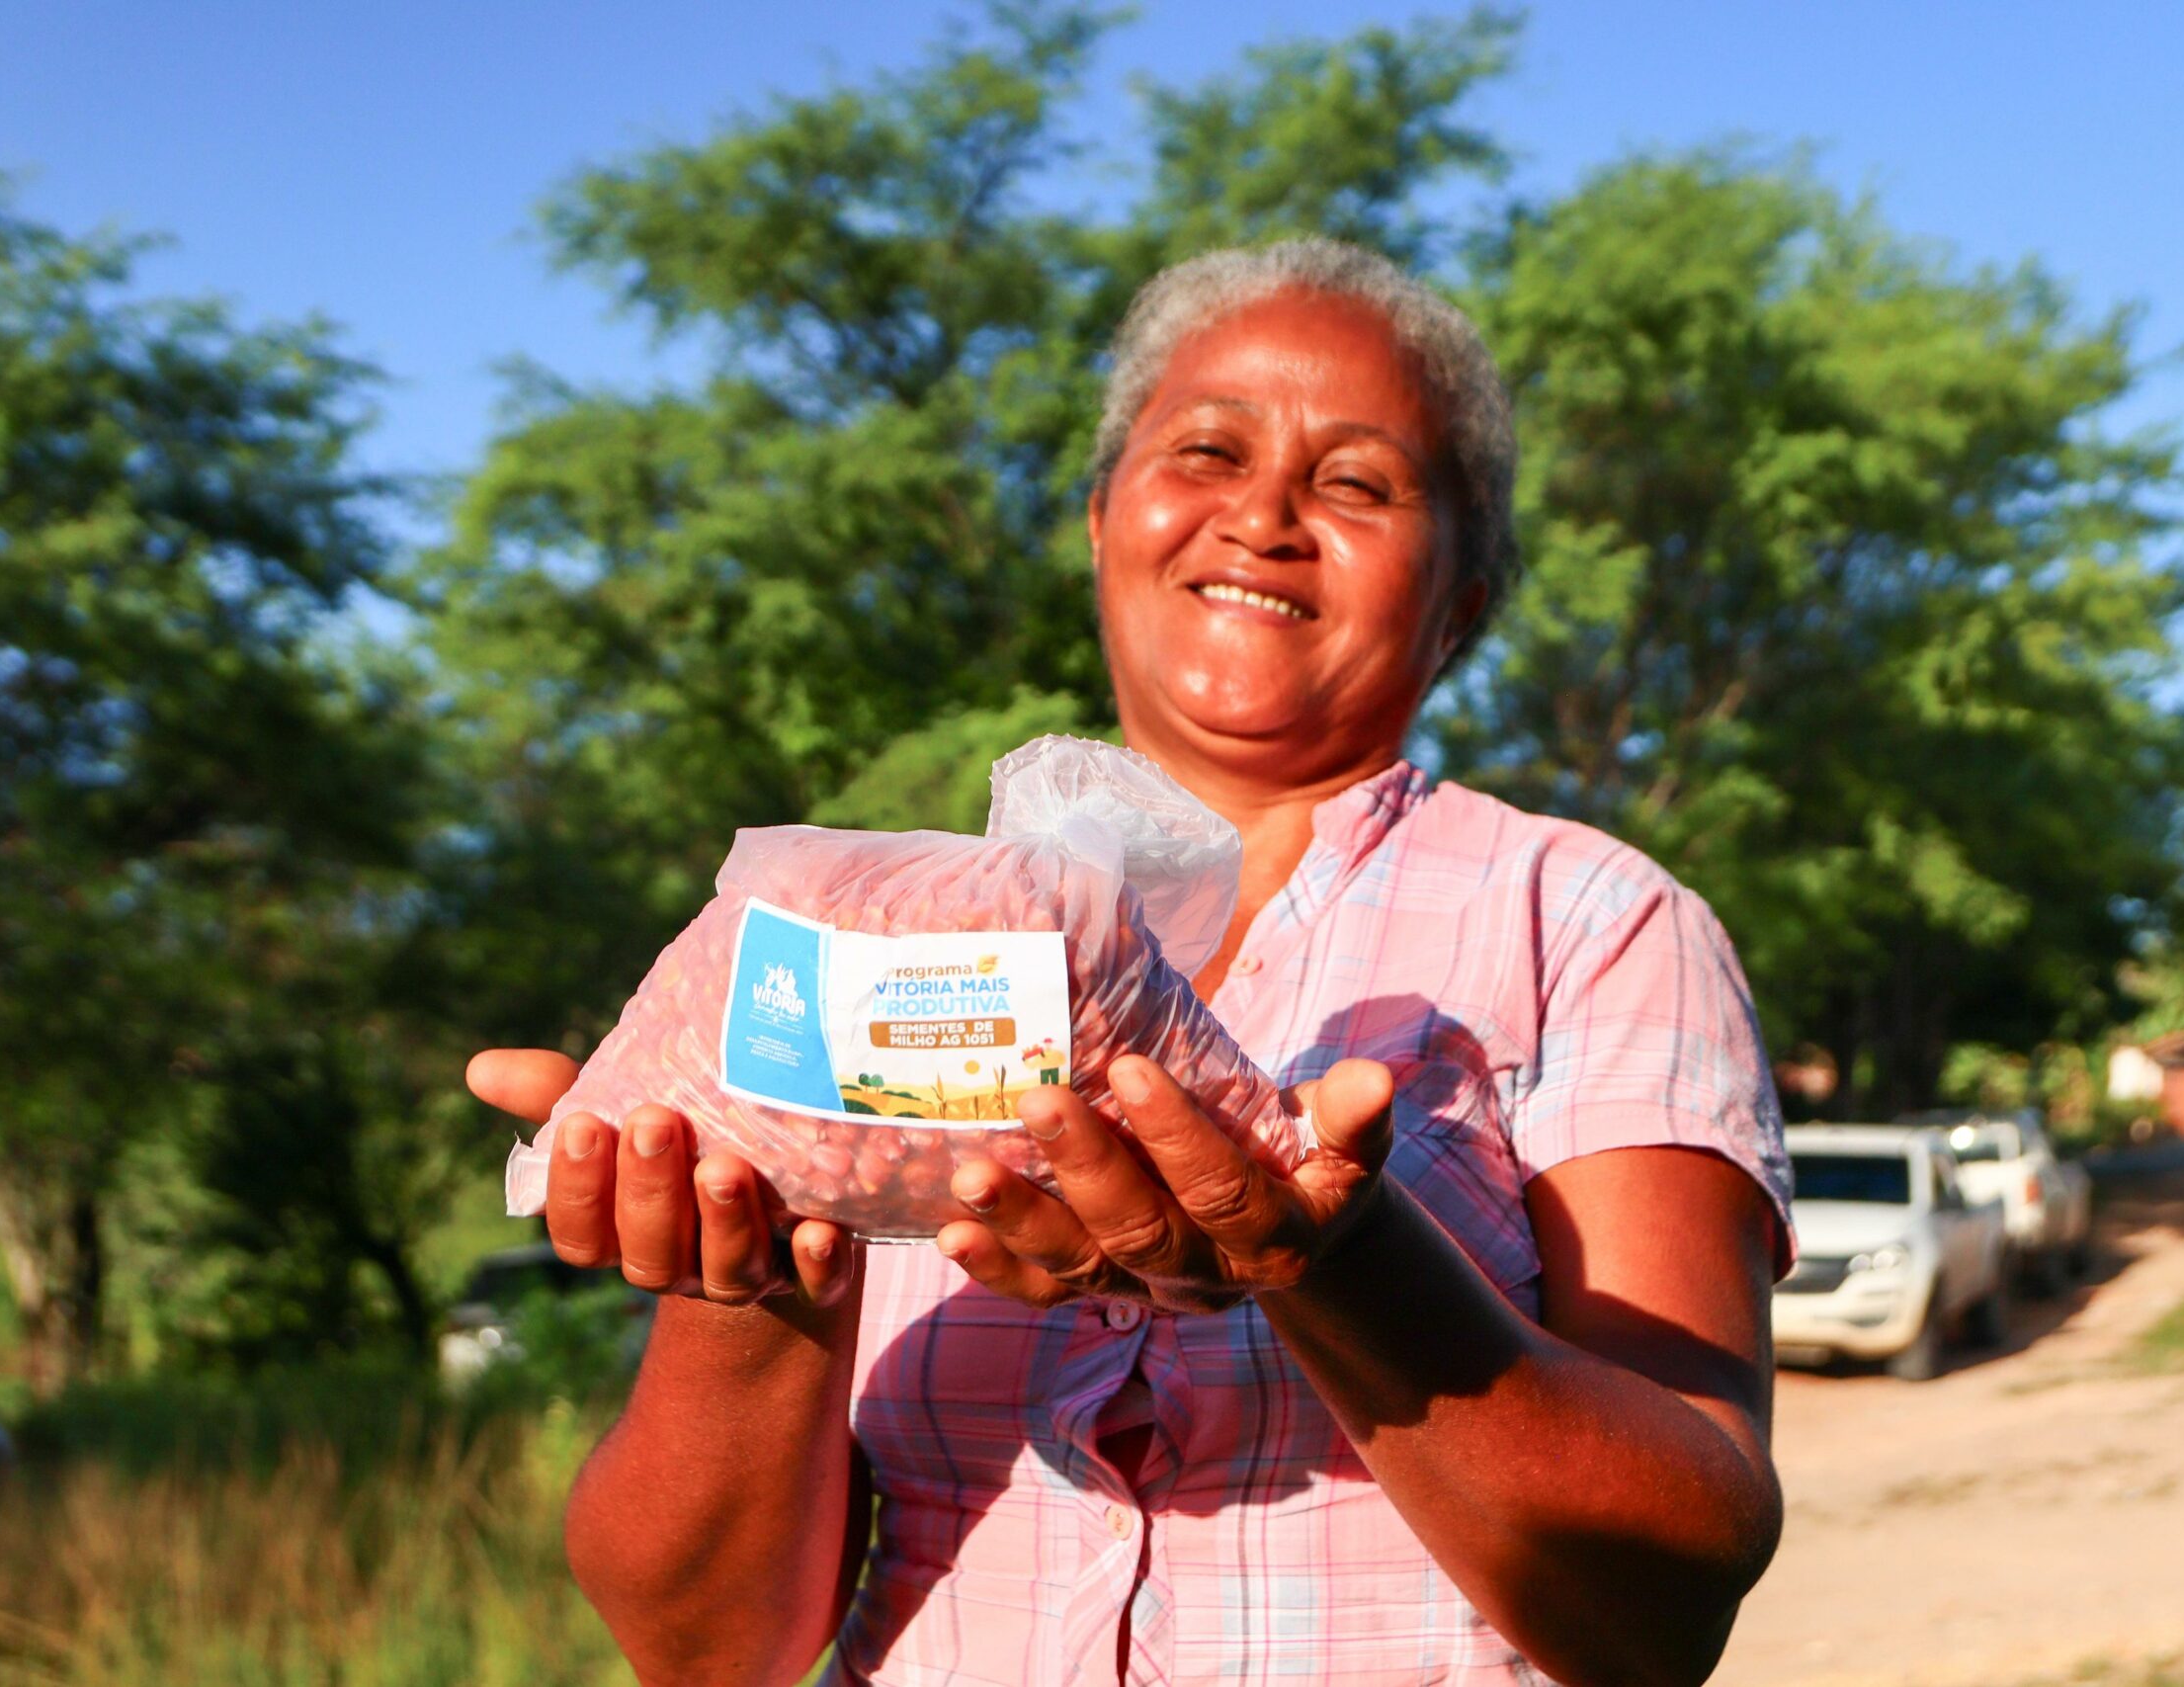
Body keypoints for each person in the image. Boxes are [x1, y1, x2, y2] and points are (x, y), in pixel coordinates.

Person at [468, 238, 1795, 1687]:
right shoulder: (893, 939)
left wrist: (1333, 1266)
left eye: (1357, 483)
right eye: (1206, 450)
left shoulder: (1587, 918)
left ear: (1463, 595)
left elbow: (1667, 1604)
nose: (1267, 517)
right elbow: (705, 1652)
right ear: (1104, 520)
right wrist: (761, 1267)